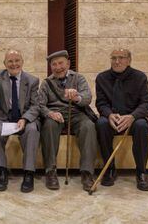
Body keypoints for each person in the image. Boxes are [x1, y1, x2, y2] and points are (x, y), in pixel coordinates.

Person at [0, 49, 40, 193]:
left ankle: (28, 174)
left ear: (22, 62)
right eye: (10, 61)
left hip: (25, 117)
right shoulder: (0, 75)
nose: (14, 64)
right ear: (5, 63)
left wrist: (25, 118)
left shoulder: (32, 81)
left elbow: (36, 105)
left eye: (17, 60)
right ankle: (1, 171)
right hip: (4, 116)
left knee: (32, 130)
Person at [38, 50, 97, 191]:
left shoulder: (79, 78)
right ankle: (50, 171)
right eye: (54, 64)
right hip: (56, 114)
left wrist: (76, 97)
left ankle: (87, 172)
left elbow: (87, 98)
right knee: (49, 126)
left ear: (68, 63)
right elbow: (39, 104)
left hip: (76, 113)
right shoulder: (46, 83)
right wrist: (49, 113)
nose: (58, 67)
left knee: (88, 126)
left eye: (61, 63)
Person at [95, 48, 148, 191]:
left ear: (129, 60)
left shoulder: (140, 77)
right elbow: (101, 103)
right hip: (112, 117)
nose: (117, 61)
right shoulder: (102, 78)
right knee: (101, 123)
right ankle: (109, 169)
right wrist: (109, 114)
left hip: (133, 117)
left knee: (141, 126)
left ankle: (141, 172)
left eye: (121, 58)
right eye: (113, 58)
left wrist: (132, 116)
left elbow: (147, 103)